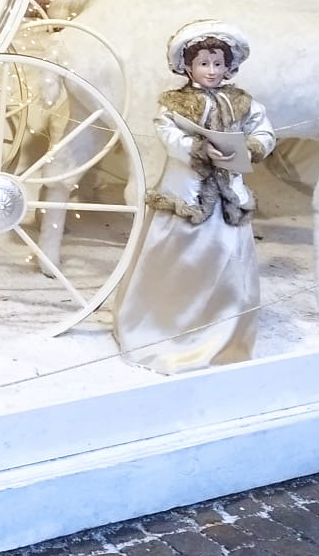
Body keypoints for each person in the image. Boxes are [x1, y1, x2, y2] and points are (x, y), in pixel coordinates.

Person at [111, 20, 277, 374]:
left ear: (228, 66)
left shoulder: (243, 102)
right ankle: (165, 323)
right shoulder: (174, 104)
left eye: (218, 63)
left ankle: (224, 330)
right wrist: (197, 148)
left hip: (229, 194)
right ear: (188, 66)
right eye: (204, 63)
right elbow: (168, 136)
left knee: (229, 258)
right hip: (186, 191)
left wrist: (250, 146)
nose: (211, 71)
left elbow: (264, 132)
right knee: (178, 257)